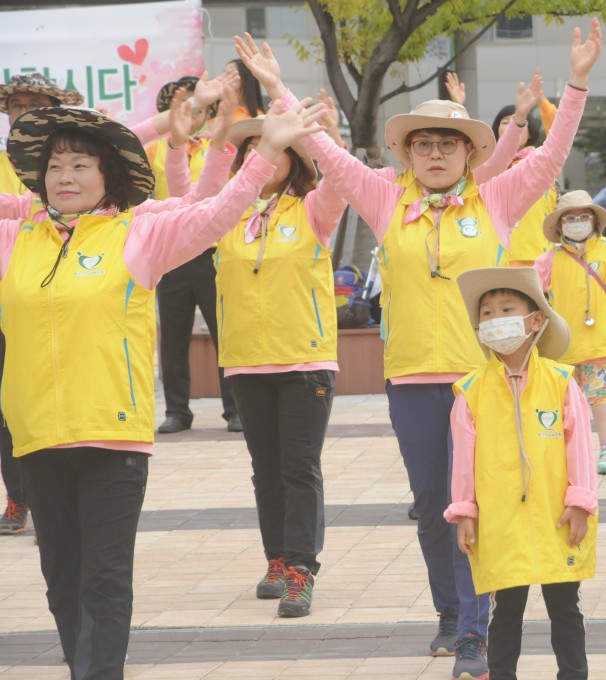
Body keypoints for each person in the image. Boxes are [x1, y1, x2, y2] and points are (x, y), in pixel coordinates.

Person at [282, 21, 601, 679]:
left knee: (479, 502)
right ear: (407, 153)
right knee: (436, 507)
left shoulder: (495, 198)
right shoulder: (382, 196)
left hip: (479, 380)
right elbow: (330, 155)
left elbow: (549, 156)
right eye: (422, 144)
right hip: (412, 380)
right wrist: (277, 91)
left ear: (467, 154)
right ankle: (452, 615)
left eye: (447, 144)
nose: (434, 154)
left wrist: (575, 84)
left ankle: (474, 633)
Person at [0, 96, 322, 679]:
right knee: (60, 581)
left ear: (108, 176)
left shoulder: (140, 235)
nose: (65, 177)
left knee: (102, 578)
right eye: (54, 166)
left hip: (112, 439)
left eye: (80, 165)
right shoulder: (14, 240)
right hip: (36, 436)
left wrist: (265, 151)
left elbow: (216, 213)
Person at [224, 33, 353, 618]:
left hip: (304, 364)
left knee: (298, 469)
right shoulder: (228, 213)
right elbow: (186, 195)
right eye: (258, 150)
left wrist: (278, 89)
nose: (267, 159)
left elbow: (342, 174)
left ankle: (302, 568)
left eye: (279, 150)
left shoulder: (314, 209)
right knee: (264, 470)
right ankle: (276, 558)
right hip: (247, 361)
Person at [446, 266, 597, 680]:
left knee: (565, 606)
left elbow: (580, 447)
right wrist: (465, 512)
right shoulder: (470, 391)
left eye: (507, 309)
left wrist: (580, 501)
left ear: (535, 321)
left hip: (557, 516)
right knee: (506, 608)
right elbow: (463, 461)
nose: (496, 320)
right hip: (500, 520)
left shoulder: (561, 382)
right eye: (488, 313)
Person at [0, 73, 85, 534]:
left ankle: (57, 499)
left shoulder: (73, 165)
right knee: (6, 407)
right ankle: (19, 498)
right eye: (16, 104)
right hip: (8, 301)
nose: (24, 110)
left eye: (36, 103)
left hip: (56, 305)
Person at [146, 76, 242, 434]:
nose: (189, 114)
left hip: (212, 253)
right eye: (180, 108)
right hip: (171, 253)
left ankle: (235, 409)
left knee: (225, 333)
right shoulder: (157, 149)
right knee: (172, 337)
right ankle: (177, 411)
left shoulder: (220, 146)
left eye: (196, 108)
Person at [534, 190, 606, 474]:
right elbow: (534, 294)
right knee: (562, 399)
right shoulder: (547, 260)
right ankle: (565, 450)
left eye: (583, 217)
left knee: (599, 394)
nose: (577, 222)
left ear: (594, 221)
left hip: (599, 338)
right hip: (563, 343)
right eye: (569, 218)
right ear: (560, 225)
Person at [446, 69, 557, 267]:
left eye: (517, 121)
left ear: (530, 131)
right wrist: (458, 106)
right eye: (504, 122)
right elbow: (461, 145)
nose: (510, 126)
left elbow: (559, 131)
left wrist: (541, 101)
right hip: (493, 255)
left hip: (535, 257)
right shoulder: (487, 166)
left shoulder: (539, 162)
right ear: (496, 129)